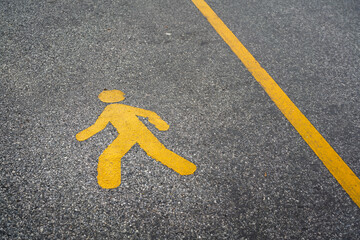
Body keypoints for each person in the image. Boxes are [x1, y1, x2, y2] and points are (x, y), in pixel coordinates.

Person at [76, 89, 196, 188]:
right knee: (158, 151)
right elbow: (149, 113)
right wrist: (158, 123)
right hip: (140, 131)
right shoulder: (123, 107)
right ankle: (186, 167)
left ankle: (109, 181)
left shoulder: (110, 109)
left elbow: (99, 125)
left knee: (109, 155)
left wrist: (84, 134)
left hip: (129, 134)